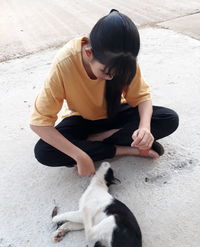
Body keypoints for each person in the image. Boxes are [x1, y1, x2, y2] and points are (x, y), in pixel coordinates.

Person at [30, 9, 179, 177]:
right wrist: (80, 156)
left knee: (169, 119)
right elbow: (39, 123)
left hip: (115, 112)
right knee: (44, 151)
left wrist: (145, 128)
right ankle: (125, 149)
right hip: (82, 119)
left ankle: (94, 142)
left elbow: (142, 97)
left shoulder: (124, 61)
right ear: (89, 52)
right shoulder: (64, 64)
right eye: (106, 72)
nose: (112, 78)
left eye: (118, 73)